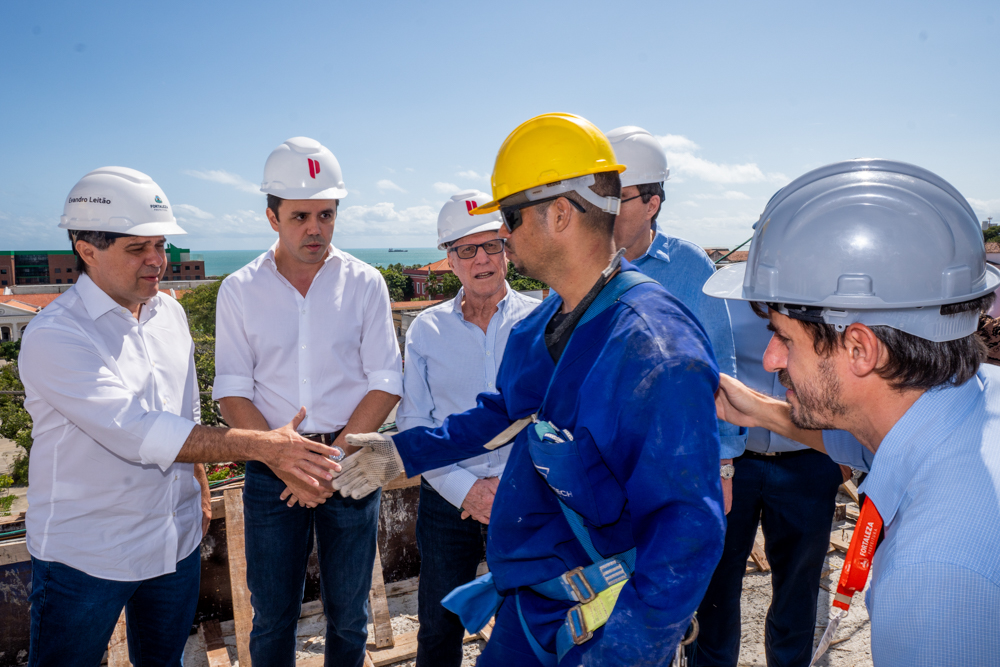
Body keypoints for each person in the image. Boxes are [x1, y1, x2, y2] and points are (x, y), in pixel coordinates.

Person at [333, 113, 726, 666]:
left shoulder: (653, 346)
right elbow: (502, 414)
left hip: (603, 611)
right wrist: (402, 450)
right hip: (537, 592)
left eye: (511, 220)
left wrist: (626, 654)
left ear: (561, 214)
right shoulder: (542, 327)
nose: (504, 238)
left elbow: (687, 528)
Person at [20, 166, 342, 667]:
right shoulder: (56, 336)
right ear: (87, 250)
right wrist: (262, 446)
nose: (157, 262)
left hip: (175, 542)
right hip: (86, 556)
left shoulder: (168, 313)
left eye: (161, 245)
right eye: (137, 250)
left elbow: (185, 409)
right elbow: (136, 431)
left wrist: (200, 485)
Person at [703, 159, 1000, 667]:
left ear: (861, 349)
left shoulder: (934, 576)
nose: (771, 360)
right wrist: (763, 412)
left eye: (784, 337)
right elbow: (862, 441)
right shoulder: (977, 397)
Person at [212, 137, 402, 667]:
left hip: (349, 464)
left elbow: (385, 380)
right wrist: (283, 457)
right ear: (272, 216)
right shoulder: (239, 289)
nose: (314, 228)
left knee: (350, 614)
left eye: (326, 214)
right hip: (271, 468)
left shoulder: (365, 282)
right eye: (300, 216)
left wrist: (327, 463)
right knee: (272, 615)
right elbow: (232, 390)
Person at [396, 190, 540, 667]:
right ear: (450, 260)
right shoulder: (426, 331)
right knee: (438, 627)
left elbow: (555, 415)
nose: (482, 259)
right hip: (447, 504)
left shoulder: (541, 321)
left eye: (492, 246)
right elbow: (414, 423)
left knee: (533, 622)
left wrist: (508, 485)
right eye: (466, 249)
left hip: (530, 497)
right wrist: (467, 490)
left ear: (507, 250)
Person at [691, 299, 848, 667]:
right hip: (732, 464)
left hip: (808, 463)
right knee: (717, 584)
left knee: (798, 585)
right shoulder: (718, 298)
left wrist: (844, 456)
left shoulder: (824, 297)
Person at [606, 126, 743, 513]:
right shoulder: (584, 267)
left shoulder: (690, 267)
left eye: (619, 198)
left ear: (652, 204)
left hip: (678, 461)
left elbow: (719, 362)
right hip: (600, 465)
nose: (607, 210)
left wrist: (725, 464)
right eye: (601, 198)